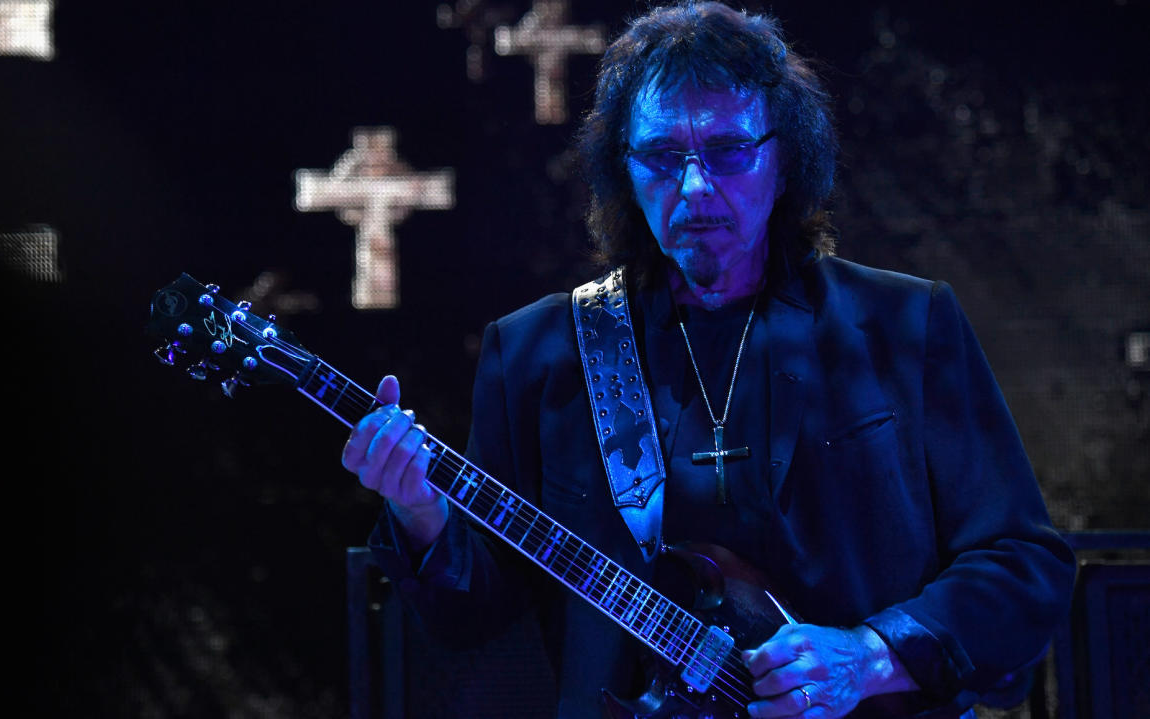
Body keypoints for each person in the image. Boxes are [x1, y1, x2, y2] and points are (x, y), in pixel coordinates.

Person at [340, 3, 1075, 717]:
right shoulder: (540, 353)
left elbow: (1022, 565)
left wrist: (865, 655)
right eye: (662, 157)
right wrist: (419, 509)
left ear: (782, 158)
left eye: (727, 152)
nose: (695, 189)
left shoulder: (903, 325)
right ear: (624, 172)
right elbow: (473, 615)